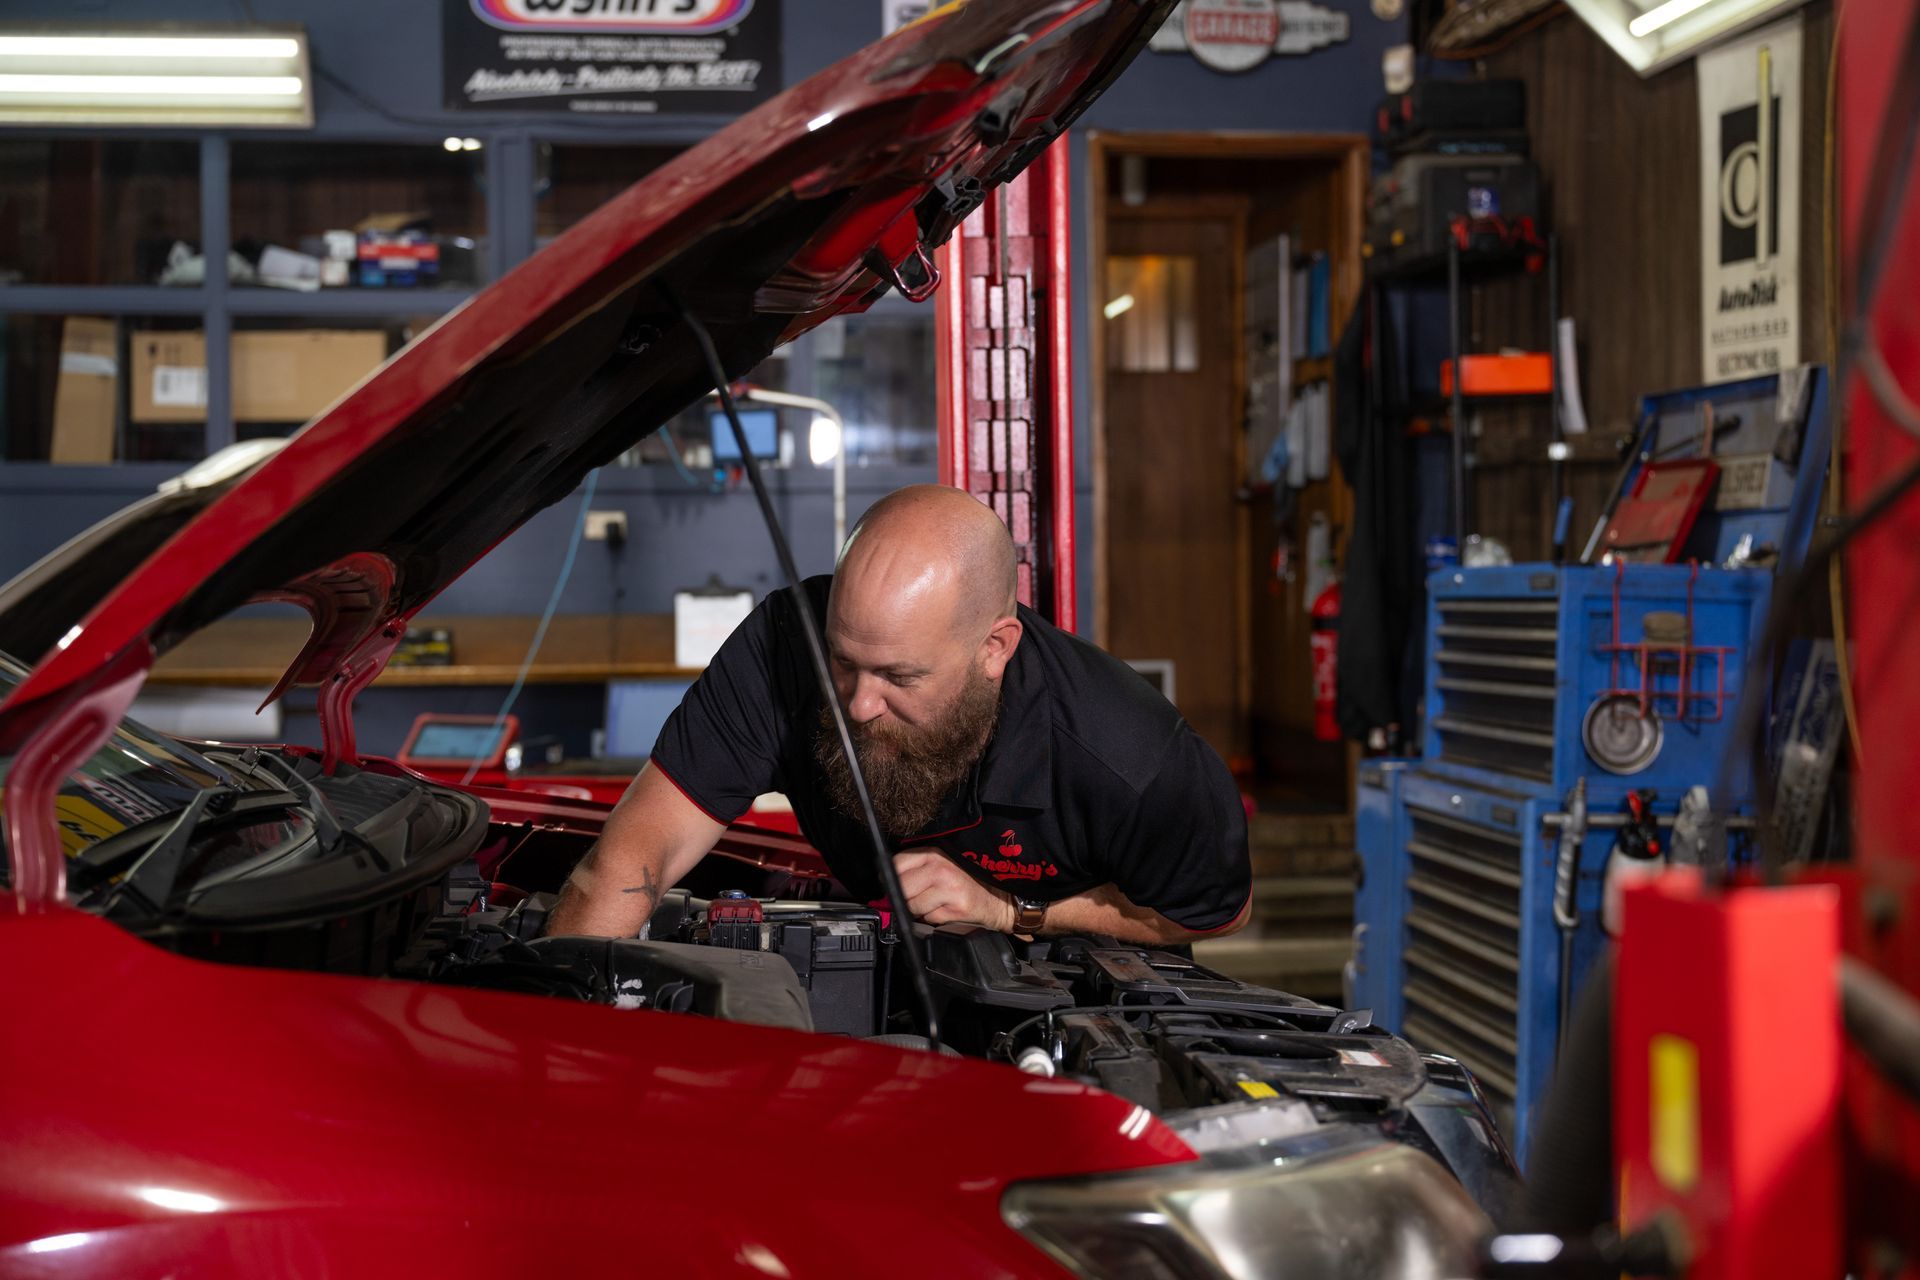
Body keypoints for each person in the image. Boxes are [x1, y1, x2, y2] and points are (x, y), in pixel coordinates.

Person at [548, 484, 1251, 944]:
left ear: (994, 651)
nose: (858, 703)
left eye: (899, 676)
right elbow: (640, 850)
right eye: (844, 661)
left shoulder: (1124, 754)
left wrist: (1012, 911)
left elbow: (1212, 914)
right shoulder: (782, 649)